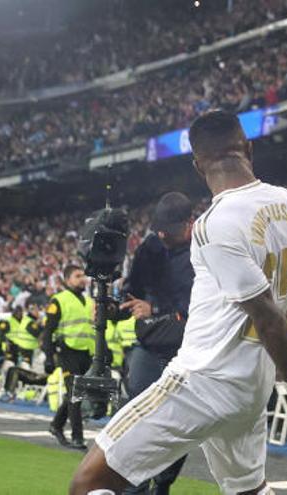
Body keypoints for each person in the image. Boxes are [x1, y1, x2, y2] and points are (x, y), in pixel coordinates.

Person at [70, 110, 287, 495]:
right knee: (249, 490)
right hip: (251, 390)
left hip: (202, 379)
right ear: (248, 149)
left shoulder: (213, 223)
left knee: (88, 484)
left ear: (197, 164)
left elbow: (269, 318)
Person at [115, 191, 195, 495]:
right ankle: (134, 488)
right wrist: (114, 307)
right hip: (149, 345)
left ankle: (162, 485)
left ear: (188, 225)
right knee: (134, 420)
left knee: (180, 429)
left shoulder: (204, 252)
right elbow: (132, 291)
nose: (162, 237)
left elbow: (198, 311)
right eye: (158, 231)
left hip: (186, 352)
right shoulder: (150, 247)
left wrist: (157, 311)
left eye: (168, 233)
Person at [45, 264, 95, 451]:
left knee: (75, 393)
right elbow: (48, 331)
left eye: (83, 275)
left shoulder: (90, 302)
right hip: (67, 352)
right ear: (67, 280)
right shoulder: (58, 300)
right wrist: (49, 357)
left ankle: (56, 425)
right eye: (77, 276)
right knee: (76, 394)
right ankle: (77, 437)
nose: (82, 279)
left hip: (85, 353)